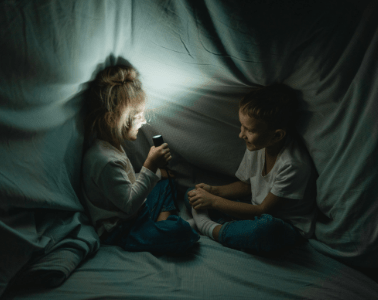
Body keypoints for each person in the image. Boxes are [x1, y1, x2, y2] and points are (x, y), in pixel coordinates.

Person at [185, 83, 317, 254]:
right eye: (242, 126)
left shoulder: (292, 164)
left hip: (283, 225)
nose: (241, 135)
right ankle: (226, 226)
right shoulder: (257, 146)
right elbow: (246, 185)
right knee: (192, 193)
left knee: (266, 231)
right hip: (253, 212)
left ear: (276, 135)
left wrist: (213, 201)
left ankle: (206, 226)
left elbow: (264, 210)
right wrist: (213, 191)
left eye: (249, 130)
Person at [81, 64, 199, 255]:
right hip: (122, 228)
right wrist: (150, 165)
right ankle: (166, 226)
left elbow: (123, 185)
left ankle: (162, 223)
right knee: (182, 232)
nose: (143, 121)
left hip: (136, 212)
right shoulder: (104, 160)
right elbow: (128, 206)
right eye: (138, 116)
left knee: (164, 180)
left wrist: (156, 173)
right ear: (113, 120)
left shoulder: (111, 146)